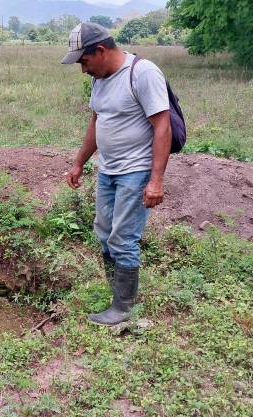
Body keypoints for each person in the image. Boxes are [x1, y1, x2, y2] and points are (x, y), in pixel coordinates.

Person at [62, 22, 172, 326]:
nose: (83, 70)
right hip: (107, 170)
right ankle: (118, 294)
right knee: (104, 232)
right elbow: (97, 124)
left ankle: (124, 309)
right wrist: (79, 162)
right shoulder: (101, 79)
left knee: (123, 237)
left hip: (135, 170)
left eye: (84, 61)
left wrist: (156, 181)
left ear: (100, 50)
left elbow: (163, 126)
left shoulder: (143, 73)